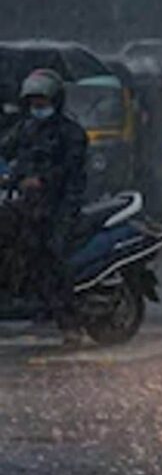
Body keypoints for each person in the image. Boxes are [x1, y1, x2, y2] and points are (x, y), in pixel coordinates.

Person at [0, 70, 88, 345]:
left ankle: (69, 322)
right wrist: (13, 177)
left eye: (43, 102)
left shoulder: (70, 133)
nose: (38, 108)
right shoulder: (25, 128)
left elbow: (69, 170)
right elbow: (5, 149)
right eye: (33, 102)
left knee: (47, 254)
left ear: (56, 100)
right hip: (28, 203)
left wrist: (42, 181)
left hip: (61, 204)